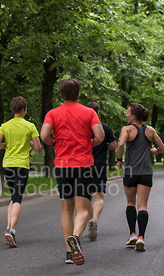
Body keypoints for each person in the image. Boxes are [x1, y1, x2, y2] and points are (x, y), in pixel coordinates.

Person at [40, 79, 104, 265]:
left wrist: (55, 144)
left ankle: (69, 253)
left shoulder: (53, 113)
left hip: (62, 165)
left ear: (61, 94)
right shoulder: (89, 112)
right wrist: (89, 144)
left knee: (66, 210)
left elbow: (44, 135)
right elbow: (99, 136)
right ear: (78, 93)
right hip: (84, 164)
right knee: (83, 208)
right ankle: (75, 237)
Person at [0, 96, 41, 247]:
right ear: (24, 109)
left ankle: (8, 227)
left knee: (13, 197)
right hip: (22, 165)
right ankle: (12, 230)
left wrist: (7, 144)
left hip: (7, 164)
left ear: (13, 109)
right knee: (18, 197)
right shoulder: (30, 126)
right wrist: (29, 142)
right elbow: (38, 148)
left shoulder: (4, 126)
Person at [117, 103, 164, 251]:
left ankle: (132, 234)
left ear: (133, 116)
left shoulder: (127, 129)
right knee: (142, 205)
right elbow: (162, 148)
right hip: (145, 172)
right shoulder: (150, 130)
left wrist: (119, 160)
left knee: (130, 203)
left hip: (130, 172)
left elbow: (120, 145)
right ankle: (141, 238)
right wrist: (153, 151)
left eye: (127, 112)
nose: (126, 115)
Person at [85, 102, 117, 241]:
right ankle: (95, 220)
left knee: (86, 197)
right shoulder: (104, 127)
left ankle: (86, 220)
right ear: (97, 113)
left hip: (83, 166)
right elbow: (114, 144)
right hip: (99, 166)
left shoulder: (82, 127)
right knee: (99, 196)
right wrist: (103, 147)